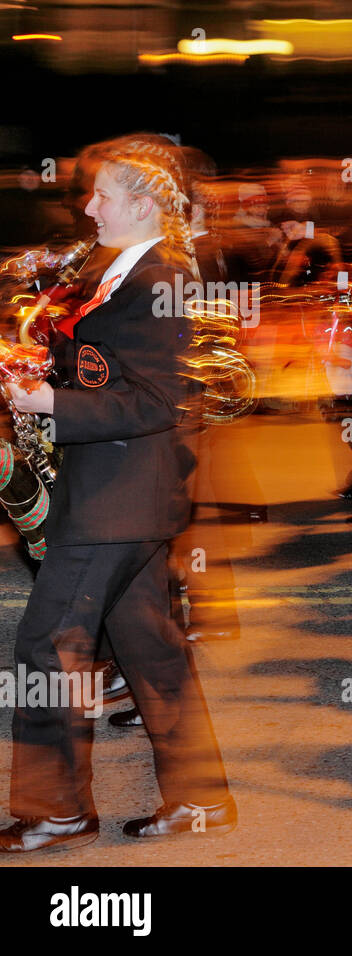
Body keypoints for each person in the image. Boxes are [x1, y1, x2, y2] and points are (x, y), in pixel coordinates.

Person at [0, 134, 234, 853]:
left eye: (102, 194)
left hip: (118, 498)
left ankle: (58, 810)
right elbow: (107, 369)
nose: (88, 204)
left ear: (140, 203)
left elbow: (158, 401)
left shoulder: (159, 279)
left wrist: (48, 404)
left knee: (48, 647)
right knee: (151, 649)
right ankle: (201, 801)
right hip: (117, 492)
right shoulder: (118, 266)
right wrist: (44, 368)